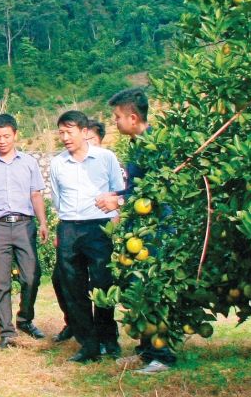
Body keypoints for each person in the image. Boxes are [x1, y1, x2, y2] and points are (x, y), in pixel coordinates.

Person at [46, 111, 127, 363]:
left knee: (102, 282)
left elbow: (117, 192)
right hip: (69, 226)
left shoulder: (105, 158)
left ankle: (108, 339)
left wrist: (114, 221)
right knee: (73, 286)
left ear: (84, 132)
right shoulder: (57, 163)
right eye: (61, 133)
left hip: (98, 227)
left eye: (69, 132)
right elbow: (57, 199)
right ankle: (87, 344)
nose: (65, 138)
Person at [108, 86, 175, 374]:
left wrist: (119, 198)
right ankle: (147, 350)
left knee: (154, 289)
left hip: (156, 231)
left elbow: (153, 192)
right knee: (141, 290)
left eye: (117, 117)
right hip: (141, 231)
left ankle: (162, 354)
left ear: (133, 118)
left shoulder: (154, 146)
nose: (115, 122)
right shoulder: (139, 144)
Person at [0, 114, 48, 347]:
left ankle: (25, 318)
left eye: (6, 136)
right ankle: (6, 331)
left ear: (15, 135)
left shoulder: (29, 163)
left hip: (24, 224)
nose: (2, 141)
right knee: (0, 281)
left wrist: (43, 222)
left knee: (31, 277)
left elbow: (36, 194)